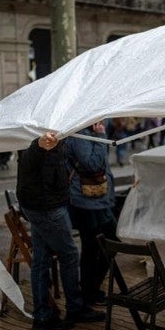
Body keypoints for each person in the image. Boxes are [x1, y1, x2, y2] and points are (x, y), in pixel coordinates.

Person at [16, 132, 105, 330]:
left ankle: (43, 316)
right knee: (69, 255)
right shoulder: (39, 139)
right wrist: (40, 144)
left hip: (39, 205)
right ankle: (74, 308)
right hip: (47, 207)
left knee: (42, 258)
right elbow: (34, 153)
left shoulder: (57, 134)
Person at [66, 121, 118, 306]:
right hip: (87, 202)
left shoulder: (87, 132)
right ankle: (88, 291)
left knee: (96, 246)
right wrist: (101, 136)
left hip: (96, 200)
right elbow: (93, 164)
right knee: (98, 246)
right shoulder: (80, 134)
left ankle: (90, 289)